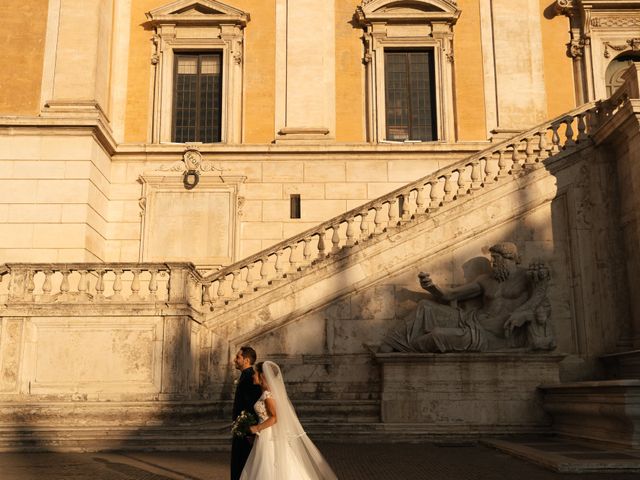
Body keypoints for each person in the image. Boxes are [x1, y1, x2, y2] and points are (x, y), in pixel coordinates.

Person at [382, 242, 555, 352]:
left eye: (496, 259)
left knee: (437, 335)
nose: (493, 263)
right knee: (425, 307)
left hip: (489, 335)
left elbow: (540, 301)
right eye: (492, 259)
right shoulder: (486, 280)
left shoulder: (526, 277)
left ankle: (404, 350)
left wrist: (521, 314)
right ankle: (391, 343)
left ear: (510, 259)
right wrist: (431, 287)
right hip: (469, 320)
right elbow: (450, 295)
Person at [239, 361, 338, 480]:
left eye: (255, 373)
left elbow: (275, 418)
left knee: (268, 465)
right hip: (267, 434)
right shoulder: (267, 393)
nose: (252, 376)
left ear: (262, 375)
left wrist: (256, 428)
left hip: (269, 436)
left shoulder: (267, 395)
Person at [231, 346, 263, 480]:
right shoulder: (245, 376)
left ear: (246, 360)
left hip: (246, 431)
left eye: (238, 357)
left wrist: (250, 431)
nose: (234, 360)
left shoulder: (251, 378)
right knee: (238, 463)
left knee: (243, 464)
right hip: (241, 428)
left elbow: (253, 406)